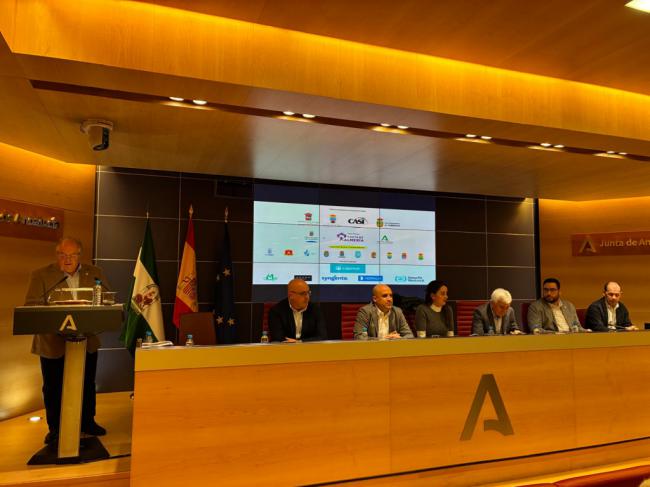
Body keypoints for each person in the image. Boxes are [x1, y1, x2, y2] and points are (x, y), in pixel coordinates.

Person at [24, 237, 109, 445]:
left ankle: (87, 422)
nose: (67, 259)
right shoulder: (41, 275)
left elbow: (107, 299)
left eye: (72, 255)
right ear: (57, 255)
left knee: (87, 384)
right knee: (53, 387)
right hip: (51, 342)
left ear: (80, 255)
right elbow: (31, 306)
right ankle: (55, 428)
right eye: (63, 255)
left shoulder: (94, 273)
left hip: (86, 339)